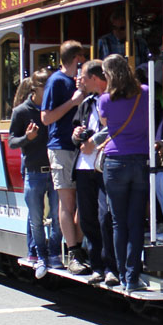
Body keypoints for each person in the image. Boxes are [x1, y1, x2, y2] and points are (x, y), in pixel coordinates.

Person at [98, 54, 151, 293]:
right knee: (136, 221)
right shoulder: (146, 92)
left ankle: (121, 275)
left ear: (108, 75)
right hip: (140, 160)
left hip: (115, 162)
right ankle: (133, 276)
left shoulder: (105, 99)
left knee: (119, 223)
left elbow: (104, 123)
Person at [40, 40, 92, 274]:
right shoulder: (56, 82)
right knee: (67, 202)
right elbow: (46, 118)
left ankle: (80, 247)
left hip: (81, 147)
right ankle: (73, 251)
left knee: (84, 200)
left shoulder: (78, 82)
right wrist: (73, 102)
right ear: (77, 58)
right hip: (61, 147)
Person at [8, 70, 62, 277]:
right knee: (36, 219)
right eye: (45, 87)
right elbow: (12, 141)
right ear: (35, 88)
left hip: (55, 170)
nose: (49, 91)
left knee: (57, 216)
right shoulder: (22, 111)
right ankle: (40, 256)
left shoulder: (53, 109)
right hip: (34, 171)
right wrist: (27, 138)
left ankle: (54, 254)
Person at [71, 59, 119, 286]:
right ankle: (97, 267)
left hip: (103, 166)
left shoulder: (112, 99)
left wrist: (94, 142)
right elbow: (74, 133)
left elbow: (115, 129)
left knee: (104, 217)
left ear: (95, 78)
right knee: (88, 218)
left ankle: (111, 267)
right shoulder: (87, 102)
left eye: (83, 76)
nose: (80, 80)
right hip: (83, 167)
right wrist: (78, 134)